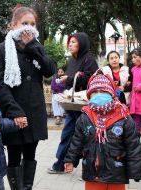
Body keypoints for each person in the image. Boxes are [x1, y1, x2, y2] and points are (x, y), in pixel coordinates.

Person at [0, 6, 56, 190]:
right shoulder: (2, 49)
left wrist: (34, 47)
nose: (28, 27)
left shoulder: (36, 46)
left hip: (35, 112)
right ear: (13, 25)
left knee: (30, 154)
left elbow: (49, 70)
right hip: (14, 112)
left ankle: (27, 187)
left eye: (32, 24)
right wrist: (14, 112)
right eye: (24, 23)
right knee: (14, 156)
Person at [64, 69, 141, 190]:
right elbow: (77, 142)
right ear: (89, 95)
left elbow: (133, 145)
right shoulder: (85, 116)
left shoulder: (123, 116)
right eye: (95, 92)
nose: (99, 94)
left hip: (116, 173)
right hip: (92, 172)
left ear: (111, 93)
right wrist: (70, 160)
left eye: (103, 91)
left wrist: (135, 170)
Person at [48, 32, 98, 174]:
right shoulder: (72, 60)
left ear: (81, 43)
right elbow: (70, 78)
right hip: (72, 105)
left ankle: (88, 168)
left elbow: (90, 80)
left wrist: (68, 79)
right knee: (67, 134)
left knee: (86, 137)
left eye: (74, 42)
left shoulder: (89, 59)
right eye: (69, 42)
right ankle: (60, 163)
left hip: (84, 106)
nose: (70, 44)